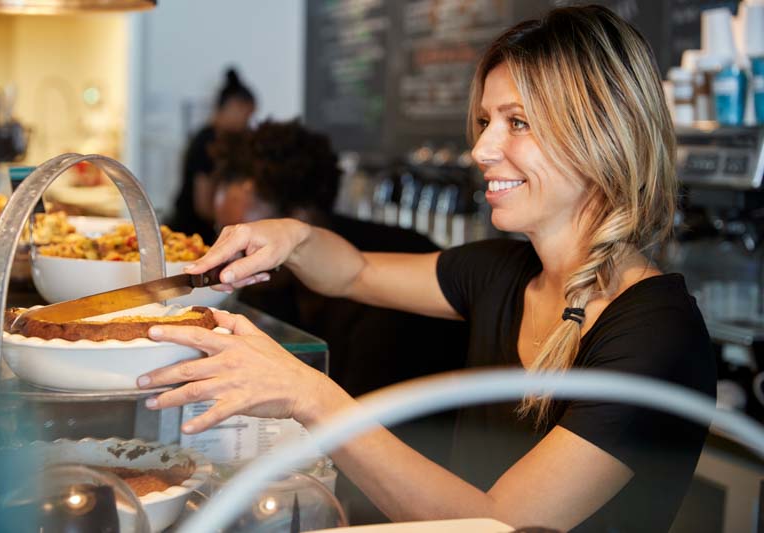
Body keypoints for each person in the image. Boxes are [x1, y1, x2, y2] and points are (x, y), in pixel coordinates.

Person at [138, 6, 717, 532]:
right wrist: (292, 236)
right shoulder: (504, 273)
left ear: (602, 136)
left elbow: (500, 524)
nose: (482, 149)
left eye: (517, 122)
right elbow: (353, 272)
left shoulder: (655, 336)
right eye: (487, 120)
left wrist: (311, 396)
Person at [211, 119, 469, 523]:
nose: (227, 253)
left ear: (295, 217)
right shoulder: (271, 288)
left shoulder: (393, 293)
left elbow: (368, 440)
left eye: (246, 237)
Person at [168, 68, 256, 242]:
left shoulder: (216, 138)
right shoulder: (207, 143)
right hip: (193, 234)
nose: (248, 122)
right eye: (247, 114)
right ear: (233, 106)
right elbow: (203, 204)